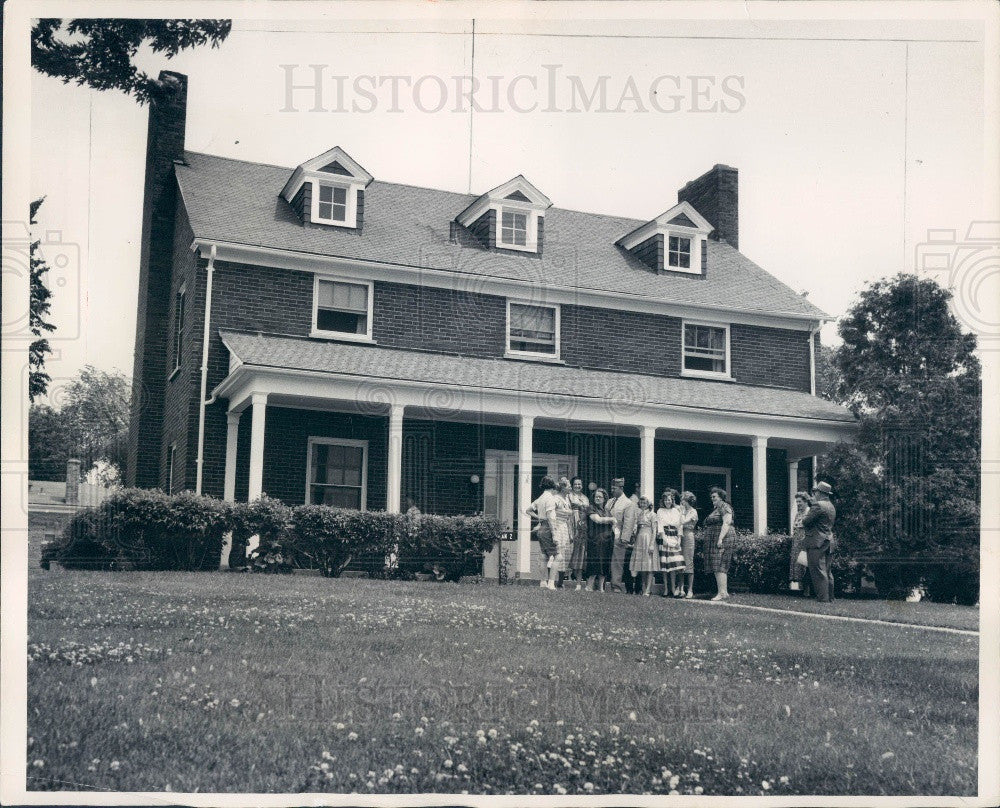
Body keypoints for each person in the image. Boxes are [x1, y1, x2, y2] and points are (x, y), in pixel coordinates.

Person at [801, 481, 837, 603]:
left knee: (817, 571)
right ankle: (830, 598)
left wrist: (805, 514)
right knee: (827, 571)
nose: (814, 493)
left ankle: (823, 599)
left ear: (820, 493)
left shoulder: (818, 505)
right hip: (829, 540)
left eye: (815, 492)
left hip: (817, 541)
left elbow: (806, 521)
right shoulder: (831, 506)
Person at [525, 476, 559, 589]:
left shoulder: (540, 498)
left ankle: (543, 582)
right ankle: (551, 583)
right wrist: (554, 534)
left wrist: (539, 517)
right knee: (558, 556)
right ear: (553, 486)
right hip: (548, 528)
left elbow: (528, 510)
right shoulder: (550, 498)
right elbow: (551, 517)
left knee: (544, 556)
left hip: (541, 528)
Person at [607, 477, 638, 593]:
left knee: (617, 562)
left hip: (618, 535)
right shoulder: (610, 501)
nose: (612, 490)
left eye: (614, 488)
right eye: (611, 488)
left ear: (621, 488)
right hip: (607, 534)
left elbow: (629, 522)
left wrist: (624, 538)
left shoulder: (628, 503)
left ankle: (616, 586)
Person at [704, 486, 735, 601]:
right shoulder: (717, 508)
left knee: (720, 564)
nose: (712, 498)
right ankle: (724, 592)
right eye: (711, 497)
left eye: (714, 497)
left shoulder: (724, 506)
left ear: (721, 497)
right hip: (716, 537)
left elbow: (726, 523)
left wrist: (720, 539)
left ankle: (721, 593)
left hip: (723, 537)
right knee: (718, 564)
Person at [584, 488, 615, 592]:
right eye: (596, 496)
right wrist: (611, 520)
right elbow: (597, 520)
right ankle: (589, 587)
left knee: (604, 564)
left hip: (606, 541)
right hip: (595, 540)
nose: (597, 498)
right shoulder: (591, 508)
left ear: (604, 498)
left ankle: (601, 588)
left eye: (600, 497)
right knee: (594, 563)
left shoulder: (607, 511)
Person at [629, 496, 661, 596]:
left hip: (648, 538)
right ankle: (643, 588)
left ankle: (648, 589)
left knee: (649, 565)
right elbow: (637, 528)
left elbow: (655, 530)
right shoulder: (638, 514)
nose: (643, 505)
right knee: (642, 565)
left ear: (648, 504)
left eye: (645, 503)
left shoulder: (652, 514)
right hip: (640, 540)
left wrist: (652, 544)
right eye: (641, 503)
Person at [656, 489, 685, 597]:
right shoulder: (660, 511)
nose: (667, 502)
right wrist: (665, 539)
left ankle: (673, 589)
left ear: (672, 500)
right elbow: (660, 526)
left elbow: (680, 526)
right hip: (665, 538)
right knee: (665, 566)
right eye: (665, 500)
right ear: (663, 501)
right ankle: (666, 589)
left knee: (674, 566)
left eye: (669, 500)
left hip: (674, 537)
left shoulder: (676, 511)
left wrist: (679, 540)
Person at [567, 476, 591, 589]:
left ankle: (578, 582)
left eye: (579, 484)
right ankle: (562, 579)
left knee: (580, 554)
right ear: (572, 485)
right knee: (568, 551)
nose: (578, 486)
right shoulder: (568, 496)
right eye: (576, 484)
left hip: (582, 528)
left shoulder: (585, 498)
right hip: (570, 524)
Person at [788, 491, 812, 597]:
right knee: (798, 564)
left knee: (805, 564)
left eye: (800, 502)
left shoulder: (809, 512)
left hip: (805, 541)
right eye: (797, 502)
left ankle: (808, 590)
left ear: (806, 502)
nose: (798, 504)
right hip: (797, 542)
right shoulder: (798, 514)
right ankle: (802, 588)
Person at [678, 491, 699, 598]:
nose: (681, 502)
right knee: (680, 561)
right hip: (679, 535)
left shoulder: (693, 512)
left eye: (683, 500)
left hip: (688, 536)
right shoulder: (681, 510)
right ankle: (681, 588)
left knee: (688, 561)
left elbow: (683, 521)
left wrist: (681, 512)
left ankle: (690, 590)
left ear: (687, 501)